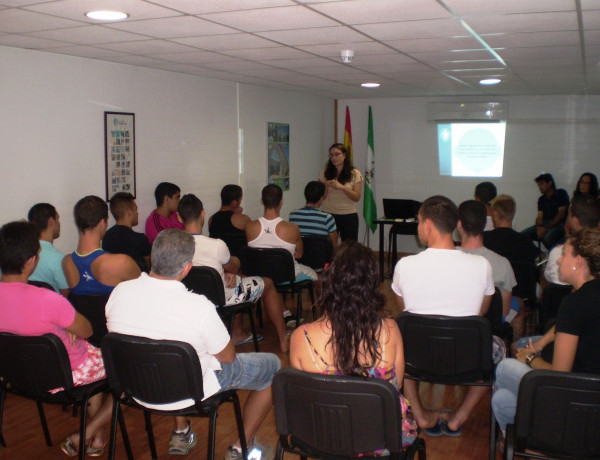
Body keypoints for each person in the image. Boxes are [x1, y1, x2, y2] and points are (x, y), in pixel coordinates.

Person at [105, 229, 280, 459]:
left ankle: (181, 432)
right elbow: (228, 357)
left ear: (152, 257)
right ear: (187, 268)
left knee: (169, 357)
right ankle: (241, 448)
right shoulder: (198, 306)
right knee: (273, 366)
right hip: (191, 391)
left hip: (137, 388)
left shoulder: (119, 292)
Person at [290, 241, 417, 449]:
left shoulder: (300, 337)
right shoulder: (390, 330)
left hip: (322, 439)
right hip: (381, 440)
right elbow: (397, 386)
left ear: (329, 279)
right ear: (372, 284)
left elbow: (303, 399)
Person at [0, 221, 112, 457]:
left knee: (93, 362)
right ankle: (90, 432)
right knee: (125, 374)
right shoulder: (48, 300)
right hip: (66, 376)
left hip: (19, 378)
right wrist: (68, 323)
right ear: (31, 261)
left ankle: (97, 436)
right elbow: (88, 331)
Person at [391, 195, 494, 436]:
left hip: (417, 359)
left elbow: (405, 310)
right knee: (496, 347)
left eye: (418, 222)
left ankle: (420, 415)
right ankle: (459, 417)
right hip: (469, 360)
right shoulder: (482, 265)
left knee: (404, 340)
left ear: (428, 225)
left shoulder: (404, 266)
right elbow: (482, 312)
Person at [492, 228, 600, 440]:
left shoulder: (575, 303)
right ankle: (534, 434)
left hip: (577, 397)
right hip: (593, 395)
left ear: (578, 261)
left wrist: (531, 358)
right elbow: (565, 325)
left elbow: (560, 374)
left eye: (564, 254)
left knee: (504, 368)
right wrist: (540, 345)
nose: (559, 261)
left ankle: (541, 437)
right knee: (501, 399)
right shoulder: (587, 292)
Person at [178, 194, 288, 351]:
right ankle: (283, 340)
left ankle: (237, 332)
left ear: (179, 218)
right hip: (222, 298)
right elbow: (234, 267)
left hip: (192, 297)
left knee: (237, 280)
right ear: (203, 213)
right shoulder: (216, 245)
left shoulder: (173, 245)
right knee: (268, 284)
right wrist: (232, 267)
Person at [62, 195, 140, 295]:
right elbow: (144, 292)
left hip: (83, 311)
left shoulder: (67, 262)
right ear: (102, 222)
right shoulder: (122, 262)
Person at [458, 200, 519, 326]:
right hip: (486, 335)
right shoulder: (502, 264)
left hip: (448, 331)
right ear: (485, 224)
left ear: (459, 225)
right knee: (517, 303)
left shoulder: (443, 260)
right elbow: (503, 312)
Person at [246, 184, 317, 282]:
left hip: (260, 276)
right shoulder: (293, 228)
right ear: (281, 202)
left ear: (262, 201)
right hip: (287, 275)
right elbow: (299, 254)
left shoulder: (249, 227)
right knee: (317, 277)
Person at [318, 143, 362, 242]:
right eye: (331, 155)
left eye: (337, 154)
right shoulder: (325, 172)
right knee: (328, 247)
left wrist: (342, 187)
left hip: (348, 215)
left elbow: (357, 197)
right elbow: (320, 198)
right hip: (328, 215)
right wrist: (325, 185)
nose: (334, 157)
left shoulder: (354, 173)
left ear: (345, 155)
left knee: (349, 249)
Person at [102, 192, 151, 272]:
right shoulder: (140, 239)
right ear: (129, 213)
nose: (137, 213)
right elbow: (148, 265)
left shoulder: (106, 237)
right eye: (135, 209)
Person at [27, 202, 69, 295]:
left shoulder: (20, 254)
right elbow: (67, 296)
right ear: (51, 222)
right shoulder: (58, 259)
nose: (59, 224)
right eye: (57, 219)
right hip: (51, 308)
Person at [521, 173, 570, 250]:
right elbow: (539, 217)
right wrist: (538, 227)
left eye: (542, 184)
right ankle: (539, 254)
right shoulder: (541, 199)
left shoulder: (561, 193)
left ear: (550, 183)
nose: (540, 187)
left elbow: (561, 214)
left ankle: (553, 256)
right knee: (522, 236)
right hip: (544, 224)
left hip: (559, 225)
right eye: (538, 185)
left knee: (547, 238)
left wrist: (546, 228)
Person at [289, 180, 338, 249]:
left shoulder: (293, 215)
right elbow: (334, 245)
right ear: (321, 199)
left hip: (300, 258)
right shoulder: (327, 218)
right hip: (321, 258)